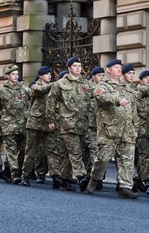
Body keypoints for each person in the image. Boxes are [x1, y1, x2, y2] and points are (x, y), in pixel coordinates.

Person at [86, 59, 139, 199]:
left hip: (127, 130)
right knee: (102, 159)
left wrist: (135, 128)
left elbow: (133, 109)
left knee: (127, 160)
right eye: (116, 67)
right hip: (109, 130)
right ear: (108, 70)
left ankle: (125, 187)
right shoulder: (102, 86)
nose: (119, 69)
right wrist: (117, 99)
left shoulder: (127, 87)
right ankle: (94, 179)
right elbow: (101, 96)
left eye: (120, 67)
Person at [46, 57, 92, 192]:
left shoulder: (86, 83)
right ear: (69, 68)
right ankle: (81, 176)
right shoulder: (60, 84)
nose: (78, 68)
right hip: (67, 123)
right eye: (75, 66)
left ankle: (64, 179)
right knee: (75, 151)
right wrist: (51, 120)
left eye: (80, 65)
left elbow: (95, 96)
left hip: (82, 123)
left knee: (70, 153)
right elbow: (51, 102)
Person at [21, 66, 63, 188]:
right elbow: (40, 90)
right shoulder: (34, 85)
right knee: (31, 152)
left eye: (50, 74)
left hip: (49, 123)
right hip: (35, 123)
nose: (49, 76)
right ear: (40, 76)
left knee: (52, 151)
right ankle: (25, 175)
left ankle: (56, 176)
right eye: (46, 74)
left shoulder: (53, 87)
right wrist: (55, 84)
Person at [0, 65, 30, 184]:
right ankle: (15, 173)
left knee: (21, 150)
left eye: (16, 74)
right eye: (13, 74)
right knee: (12, 150)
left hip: (22, 125)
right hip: (8, 125)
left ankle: (7, 170)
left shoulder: (24, 90)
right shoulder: (2, 91)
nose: (15, 76)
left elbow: (29, 104)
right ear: (8, 76)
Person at [133, 70, 149, 192]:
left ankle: (137, 179)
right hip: (141, 129)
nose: (148, 79)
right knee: (143, 155)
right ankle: (145, 180)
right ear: (140, 80)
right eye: (145, 78)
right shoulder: (137, 92)